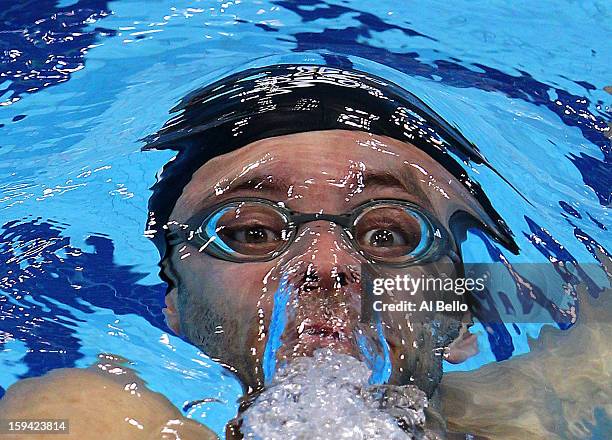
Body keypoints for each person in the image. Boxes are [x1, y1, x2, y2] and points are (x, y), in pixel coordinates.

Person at [0, 64, 521, 439]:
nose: (326, 265)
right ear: (175, 307)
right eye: (252, 232)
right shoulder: (88, 417)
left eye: (387, 235)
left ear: (460, 317)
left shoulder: (551, 406)